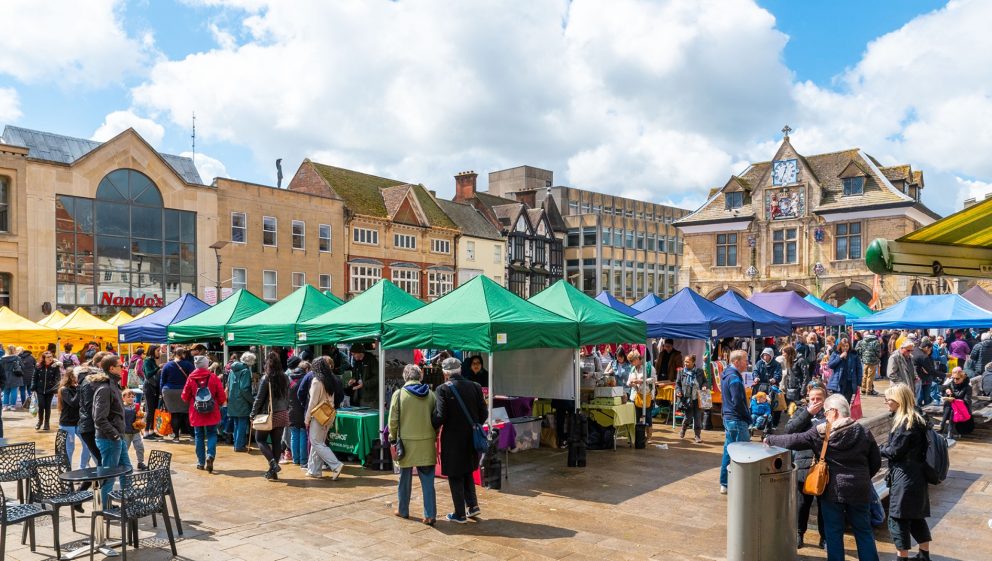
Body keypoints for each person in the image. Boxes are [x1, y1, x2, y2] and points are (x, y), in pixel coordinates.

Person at [765, 394, 881, 561]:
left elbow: (794, 439)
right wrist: (862, 477)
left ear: (833, 412)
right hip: (860, 490)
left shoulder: (821, 432)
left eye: (826, 412)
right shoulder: (863, 431)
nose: (825, 416)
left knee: (833, 532)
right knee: (863, 531)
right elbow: (875, 462)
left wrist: (770, 438)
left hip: (833, 491)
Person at [881, 383, 933, 561]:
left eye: (888, 399)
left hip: (905, 476)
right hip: (918, 474)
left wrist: (880, 448)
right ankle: (924, 555)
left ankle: (902, 558)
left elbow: (895, 451)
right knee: (917, 516)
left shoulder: (905, 423)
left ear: (898, 401)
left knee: (898, 518)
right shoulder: (918, 417)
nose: (886, 402)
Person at [432, 357, 486, 524]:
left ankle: (459, 514)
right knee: (468, 470)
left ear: (445, 373)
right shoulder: (475, 386)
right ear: (460, 369)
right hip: (471, 437)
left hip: (453, 438)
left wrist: (431, 423)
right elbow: (484, 413)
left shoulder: (442, 389)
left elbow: (440, 416)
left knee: (455, 474)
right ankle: (473, 506)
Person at [389, 364, 438, 525]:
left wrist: (392, 437)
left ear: (405, 377)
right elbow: (436, 419)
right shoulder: (431, 395)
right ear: (420, 376)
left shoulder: (399, 394)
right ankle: (430, 514)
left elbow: (393, 420)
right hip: (426, 442)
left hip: (406, 443)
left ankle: (403, 510)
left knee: (404, 478)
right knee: (428, 479)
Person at [785, 385, 827, 549]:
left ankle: (824, 537)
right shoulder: (801, 412)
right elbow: (789, 430)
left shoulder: (830, 412)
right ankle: (799, 533)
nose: (815, 402)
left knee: (824, 505)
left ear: (825, 400)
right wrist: (808, 413)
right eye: (813, 399)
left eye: (819, 399)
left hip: (824, 465)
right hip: (804, 463)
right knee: (802, 503)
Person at [91, 355, 132, 505]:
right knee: (109, 476)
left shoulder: (113, 385)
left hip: (116, 437)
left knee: (127, 469)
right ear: (111, 368)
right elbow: (99, 417)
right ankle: (105, 507)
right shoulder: (105, 388)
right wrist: (114, 436)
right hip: (109, 439)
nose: (123, 368)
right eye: (120, 366)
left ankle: (128, 501)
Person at [182, 354, 227, 473]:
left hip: (196, 411)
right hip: (212, 410)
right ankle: (210, 455)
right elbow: (221, 394)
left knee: (199, 436)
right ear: (207, 365)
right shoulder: (213, 377)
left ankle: (201, 462)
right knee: (212, 434)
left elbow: (185, 396)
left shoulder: (191, 378)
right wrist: (221, 403)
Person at [251, 352, 290, 481]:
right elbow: (287, 397)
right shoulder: (285, 377)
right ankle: (273, 471)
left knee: (260, 439)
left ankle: (273, 464)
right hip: (282, 413)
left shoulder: (266, 378)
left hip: (268, 415)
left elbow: (259, 398)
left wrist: (252, 413)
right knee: (276, 442)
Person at [304, 356, 345, 479]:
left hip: (319, 416)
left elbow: (312, 402)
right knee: (319, 442)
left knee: (316, 442)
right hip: (329, 415)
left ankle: (335, 464)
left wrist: (307, 418)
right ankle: (314, 470)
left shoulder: (317, 381)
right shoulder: (330, 380)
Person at [719, 350, 752, 495]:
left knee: (729, 450)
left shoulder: (727, 374)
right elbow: (737, 401)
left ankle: (725, 483)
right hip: (737, 419)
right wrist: (747, 417)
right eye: (745, 360)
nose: (747, 363)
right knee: (741, 452)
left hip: (729, 418)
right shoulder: (734, 378)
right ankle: (738, 484)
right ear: (737, 361)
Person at [57, 367, 91, 473]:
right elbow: (73, 403)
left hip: (78, 422)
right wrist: (80, 389)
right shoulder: (64, 389)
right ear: (71, 377)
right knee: (69, 449)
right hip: (67, 423)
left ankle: (82, 467)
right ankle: (68, 471)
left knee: (88, 445)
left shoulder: (77, 388)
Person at [160, 346, 194, 441]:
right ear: (183, 354)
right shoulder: (188, 365)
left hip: (169, 391)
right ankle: (192, 435)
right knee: (187, 413)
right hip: (184, 390)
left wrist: (161, 393)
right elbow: (193, 378)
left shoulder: (167, 365)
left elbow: (162, 380)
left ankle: (176, 436)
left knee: (175, 414)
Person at [227, 352, 256, 452]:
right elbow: (244, 389)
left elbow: (228, 384)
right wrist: (252, 400)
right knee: (242, 423)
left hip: (232, 400)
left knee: (236, 423)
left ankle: (237, 444)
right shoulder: (245, 371)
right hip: (242, 401)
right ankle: (239, 446)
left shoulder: (232, 370)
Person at [675, 354, 706, 443]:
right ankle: (683, 429)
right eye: (685, 361)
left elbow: (705, 381)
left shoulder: (699, 371)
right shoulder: (681, 372)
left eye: (688, 362)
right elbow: (677, 384)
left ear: (693, 362)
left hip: (697, 398)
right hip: (687, 399)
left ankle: (697, 435)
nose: (685, 363)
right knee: (688, 417)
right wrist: (678, 391)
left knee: (697, 417)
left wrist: (704, 386)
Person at [627, 349, 656, 438]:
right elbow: (628, 381)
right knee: (636, 417)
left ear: (637, 359)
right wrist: (630, 383)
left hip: (647, 396)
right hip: (635, 396)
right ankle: (638, 436)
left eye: (632, 361)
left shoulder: (649, 367)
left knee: (647, 416)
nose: (631, 363)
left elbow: (654, 379)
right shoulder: (632, 368)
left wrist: (642, 381)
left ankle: (649, 436)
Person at [938, 367, 973, 438]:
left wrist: (954, 400)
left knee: (951, 410)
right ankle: (946, 429)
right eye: (953, 378)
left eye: (957, 378)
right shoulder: (951, 383)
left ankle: (943, 427)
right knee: (950, 407)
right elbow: (942, 387)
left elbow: (967, 401)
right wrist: (946, 389)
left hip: (963, 408)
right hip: (951, 406)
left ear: (962, 378)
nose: (955, 380)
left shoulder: (967, 387)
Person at [286, 357, 309, 467]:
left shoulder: (289, 379)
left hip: (291, 411)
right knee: (303, 435)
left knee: (294, 435)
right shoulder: (305, 379)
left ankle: (296, 460)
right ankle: (303, 461)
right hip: (302, 411)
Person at [30, 350, 60, 431]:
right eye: (48, 357)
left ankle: (47, 423)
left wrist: (57, 389)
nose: (50, 358)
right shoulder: (38, 366)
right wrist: (33, 387)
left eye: (51, 356)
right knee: (41, 406)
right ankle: (40, 422)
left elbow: (58, 378)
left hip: (50, 390)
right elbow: (34, 377)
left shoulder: (55, 366)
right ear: (44, 358)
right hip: (39, 389)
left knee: (47, 407)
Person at [827, 338, 862, 403]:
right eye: (843, 346)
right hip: (838, 382)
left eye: (847, 346)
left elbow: (859, 369)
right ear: (840, 346)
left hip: (849, 382)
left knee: (846, 402)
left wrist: (859, 383)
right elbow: (830, 365)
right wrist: (840, 357)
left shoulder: (854, 354)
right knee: (838, 402)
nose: (845, 348)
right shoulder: (836, 353)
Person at [121, 389, 147, 471]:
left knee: (140, 447)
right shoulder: (121, 407)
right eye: (128, 397)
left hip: (136, 431)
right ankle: (122, 464)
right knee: (125, 449)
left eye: (132, 397)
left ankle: (140, 462)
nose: (131, 398)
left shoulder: (136, 406)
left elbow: (140, 417)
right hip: (126, 432)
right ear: (123, 398)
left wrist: (141, 418)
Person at [348, 342, 379, 407]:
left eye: (354, 354)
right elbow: (355, 375)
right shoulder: (356, 362)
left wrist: (364, 384)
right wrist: (353, 380)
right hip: (360, 396)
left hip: (371, 397)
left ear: (360, 352)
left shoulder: (371, 360)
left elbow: (377, 378)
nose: (353, 356)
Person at [141, 345, 162, 440]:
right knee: (150, 410)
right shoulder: (147, 361)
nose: (159, 352)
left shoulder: (152, 361)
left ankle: (151, 431)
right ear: (153, 351)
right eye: (158, 350)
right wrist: (158, 368)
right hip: (149, 387)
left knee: (153, 410)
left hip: (153, 387)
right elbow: (148, 373)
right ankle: (146, 433)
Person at [912, 338, 938, 407]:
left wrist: (928, 370)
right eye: (930, 349)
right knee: (919, 398)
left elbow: (932, 369)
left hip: (928, 380)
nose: (930, 351)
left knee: (926, 397)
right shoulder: (920, 355)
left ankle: (927, 411)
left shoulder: (929, 357)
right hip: (920, 379)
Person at [855, 331, 881, 396]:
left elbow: (858, 349)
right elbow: (878, 352)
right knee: (870, 376)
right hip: (873, 360)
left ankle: (863, 389)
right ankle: (869, 390)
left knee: (865, 374)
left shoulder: (862, 341)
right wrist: (878, 357)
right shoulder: (876, 342)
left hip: (864, 360)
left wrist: (862, 356)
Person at [1, 344, 23, 410]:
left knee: (6, 392)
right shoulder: (17, 358)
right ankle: (12, 406)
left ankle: (5, 406)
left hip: (5, 376)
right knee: (14, 391)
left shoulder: (2, 358)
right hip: (15, 376)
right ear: (14, 350)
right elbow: (23, 366)